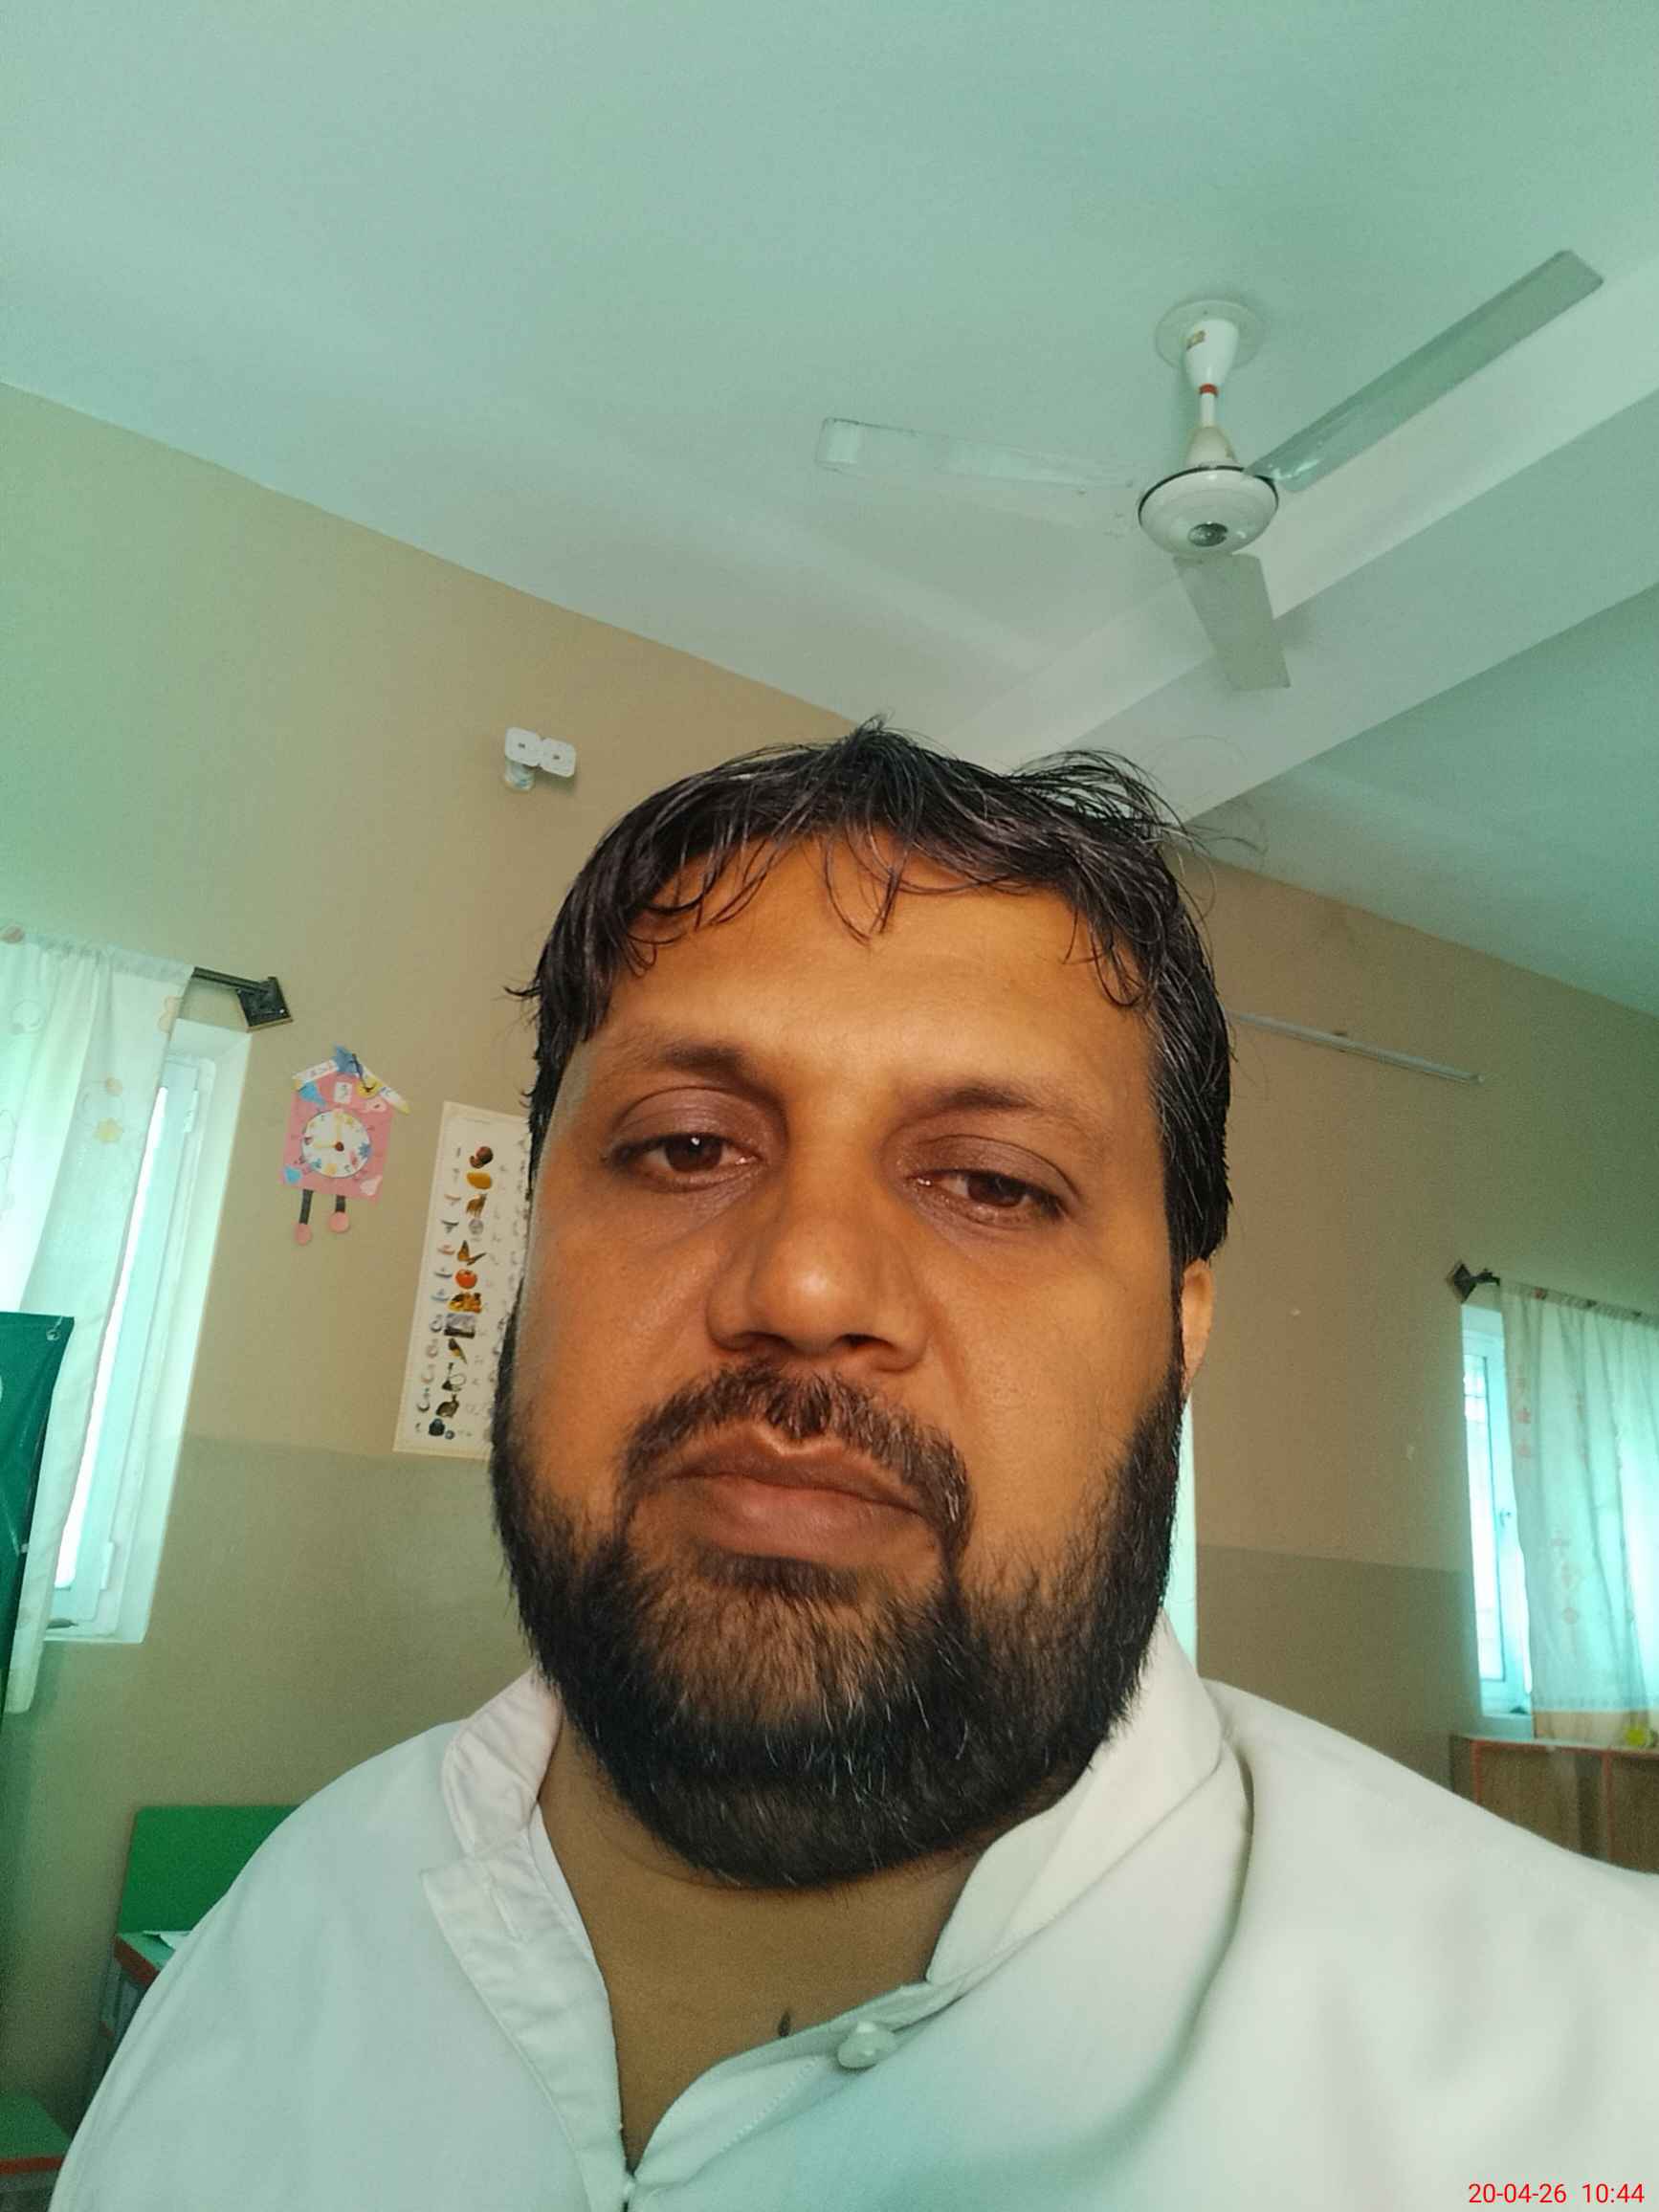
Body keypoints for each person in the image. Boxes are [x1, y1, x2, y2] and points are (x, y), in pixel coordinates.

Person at [53, 719, 1657, 2209]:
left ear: (1178, 1335)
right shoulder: (285, 1934)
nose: (807, 1284)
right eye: (686, 1146)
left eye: (993, 1182)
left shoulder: (1595, 2076)